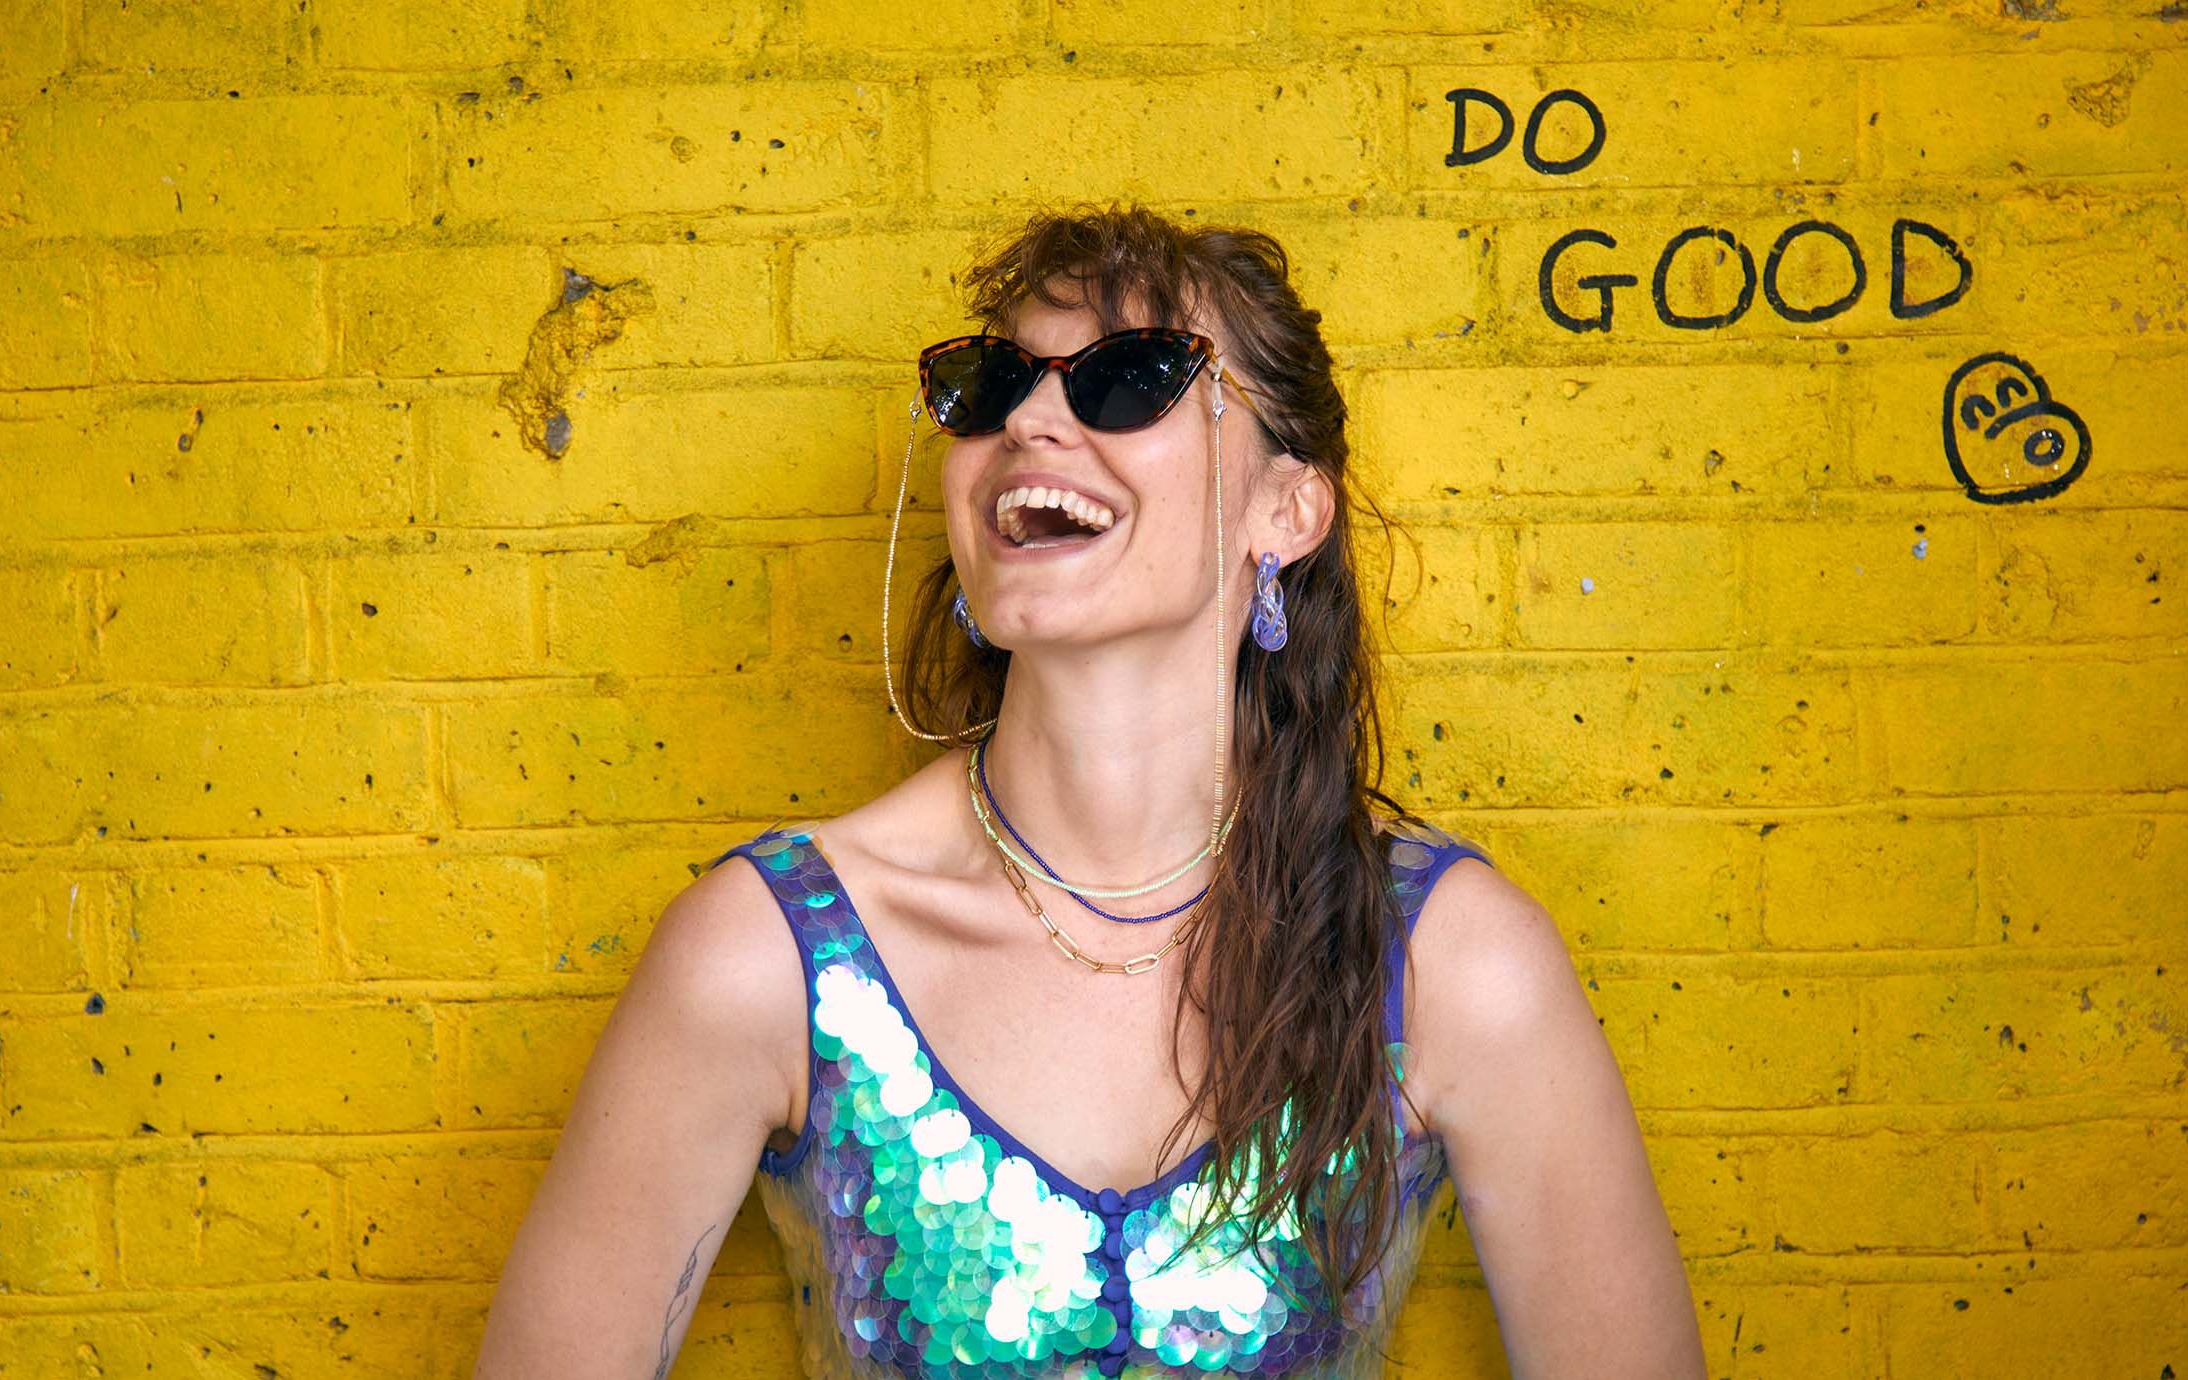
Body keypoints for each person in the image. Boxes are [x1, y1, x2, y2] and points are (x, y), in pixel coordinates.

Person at [475, 204, 1706, 1379]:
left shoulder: (1446, 962)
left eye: (1131, 379)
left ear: (1287, 509)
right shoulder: (769, 957)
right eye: (991, 386)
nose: (1031, 425)